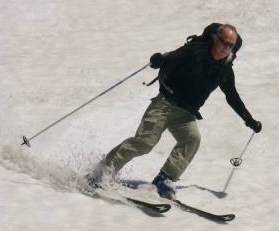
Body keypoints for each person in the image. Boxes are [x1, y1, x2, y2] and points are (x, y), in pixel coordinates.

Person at [85, 23, 262, 199]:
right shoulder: (195, 51)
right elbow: (171, 57)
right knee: (145, 142)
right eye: (224, 42)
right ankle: (102, 171)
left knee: (192, 139)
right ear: (215, 39)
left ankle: (164, 179)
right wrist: (159, 60)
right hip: (164, 104)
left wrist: (248, 119)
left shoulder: (224, 69)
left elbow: (232, 96)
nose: (226, 48)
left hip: (185, 113)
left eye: (231, 46)